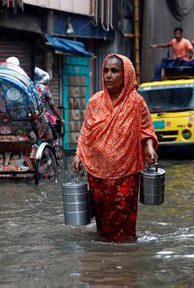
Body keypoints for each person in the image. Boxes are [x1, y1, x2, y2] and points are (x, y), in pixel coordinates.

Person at [71, 53, 158, 243]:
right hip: (97, 173)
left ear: (125, 75)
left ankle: (122, 259)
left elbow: (146, 128)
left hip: (126, 172)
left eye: (114, 71)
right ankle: (104, 258)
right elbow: (86, 131)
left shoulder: (136, 102)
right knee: (102, 219)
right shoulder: (95, 101)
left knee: (123, 218)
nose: (108, 75)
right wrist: (78, 155)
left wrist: (149, 147)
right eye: (105, 71)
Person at [34, 67, 65, 135]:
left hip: (28, 117)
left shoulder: (29, 86)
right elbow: (52, 105)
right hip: (40, 117)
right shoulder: (44, 89)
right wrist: (61, 118)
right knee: (50, 138)